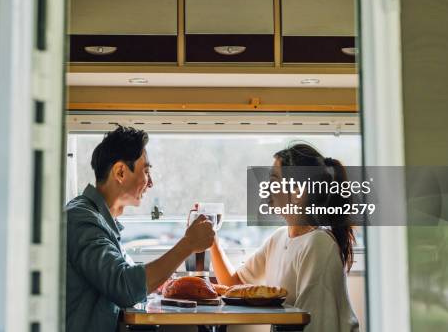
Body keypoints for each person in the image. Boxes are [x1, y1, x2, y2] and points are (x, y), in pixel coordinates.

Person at [66, 126, 215, 332]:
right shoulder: (81, 220)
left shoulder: (100, 222)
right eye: (146, 171)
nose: (150, 182)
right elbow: (125, 286)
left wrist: (159, 281)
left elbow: (127, 274)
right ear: (120, 172)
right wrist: (188, 244)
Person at [210, 143, 359, 332]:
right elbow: (235, 285)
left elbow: (317, 327)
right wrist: (211, 238)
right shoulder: (279, 238)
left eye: (274, 180)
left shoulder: (319, 245)